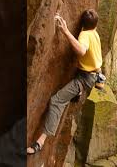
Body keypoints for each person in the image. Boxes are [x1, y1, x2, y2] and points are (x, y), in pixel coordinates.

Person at [27, 9, 102, 155]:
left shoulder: (85, 34)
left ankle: (40, 142)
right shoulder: (95, 33)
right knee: (68, 93)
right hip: (93, 74)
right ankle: (78, 92)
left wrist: (66, 31)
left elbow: (81, 50)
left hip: (85, 78)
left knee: (56, 101)